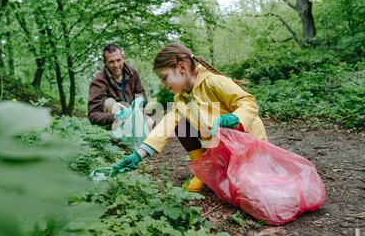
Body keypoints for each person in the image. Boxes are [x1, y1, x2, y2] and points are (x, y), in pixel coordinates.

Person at [112, 43, 268, 192]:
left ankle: (234, 168)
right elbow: (165, 126)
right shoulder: (180, 99)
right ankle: (203, 171)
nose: (163, 84)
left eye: (164, 77)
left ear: (182, 68)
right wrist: (139, 154)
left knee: (249, 186)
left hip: (246, 141)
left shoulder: (213, 81)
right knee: (181, 124)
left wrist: (235, 119)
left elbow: (247, 102)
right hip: (221, 147)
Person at [88, 44, 148, 126]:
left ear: (123, 58)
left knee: (151, 124)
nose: (116, 65)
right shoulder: (99, 82)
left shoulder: (133, 73)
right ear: (104, 62)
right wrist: (117, 116)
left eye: (118, 60)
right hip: (114, 122)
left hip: (134, 116)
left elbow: (141, 94)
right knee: (109, 102)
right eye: (111, 62)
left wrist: (139, 105)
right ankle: (118, 135)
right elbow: (93, 115)